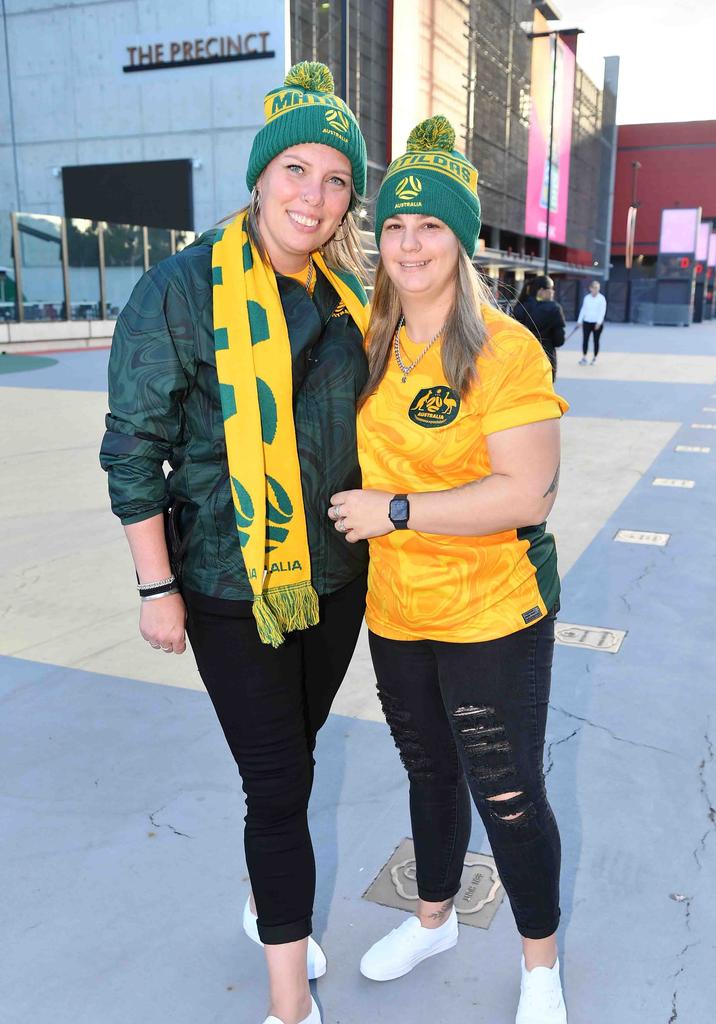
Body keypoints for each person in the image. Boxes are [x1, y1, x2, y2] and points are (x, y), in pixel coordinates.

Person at [100, 62, 371, 1024]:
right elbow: (134, 448)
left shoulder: (351, 298)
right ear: (259, 176)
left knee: (292, 760)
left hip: (340, 577)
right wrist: (153, 587)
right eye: (297, 169)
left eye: (337, 178)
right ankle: (289, 1003)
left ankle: (270, 899)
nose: (315, 194)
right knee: (278, 783)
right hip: (225, 578)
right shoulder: (179, 291)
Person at [327, 116, 570, 1024]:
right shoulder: (369, 344)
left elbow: (527, 495)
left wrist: (395, 510)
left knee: (507, 792)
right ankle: (432, 919)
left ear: (461, 239)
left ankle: (539, 964)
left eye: (430, 225)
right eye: (393, 225)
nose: (409, 242)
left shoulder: (506, 349)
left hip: (494, 610)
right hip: (398, 609)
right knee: (428, 774)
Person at [513, 275, 567, 379]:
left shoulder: (519, 307)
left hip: (522, 359)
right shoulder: (554, 308)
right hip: (545, 358)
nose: (553, 292)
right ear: (541, 290)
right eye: (551, 288)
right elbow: (559, 340)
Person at [576, 280, 607, 365]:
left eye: (597, 288)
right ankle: (584, 357)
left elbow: (602, 311)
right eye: (594, 288)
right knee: (585, 340)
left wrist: (599, 323)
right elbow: (583, 310)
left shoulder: (602, 298)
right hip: (587, 322)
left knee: (596, 340)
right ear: (590, 288)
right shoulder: (587, 298)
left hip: (597, 323)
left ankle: (595, 358)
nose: (596, 290)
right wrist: (579, 321)